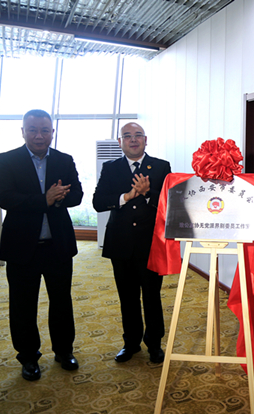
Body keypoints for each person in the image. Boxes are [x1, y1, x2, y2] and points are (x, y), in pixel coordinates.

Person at [0, 109, 83, 381]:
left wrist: (60, 197)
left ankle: (64, 351)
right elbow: (5, 198)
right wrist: (45, 199)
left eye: (44, 130)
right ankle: (28, 357)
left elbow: (77, 195)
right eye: (33, 130)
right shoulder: (6, 160)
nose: (39, 136)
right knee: (23, 305)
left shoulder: (64, 160)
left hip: (58, 245)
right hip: (21, 247)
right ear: (23, 132)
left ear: (52, 132)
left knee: (61, 301)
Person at [93, 122, 171, 364]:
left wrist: (147, 194)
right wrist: (125, 197)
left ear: (146, 140)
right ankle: (131, 343)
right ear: (120, 142)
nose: (133, 140)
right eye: (127, 136)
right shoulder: (110, 167)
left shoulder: (161, 166)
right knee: (127, 297)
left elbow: (170, 203)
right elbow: (98, 202)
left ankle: (154, 344)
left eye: (138, 135)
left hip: (150, 244)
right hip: (121, 242)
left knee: (151, 296)